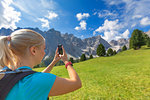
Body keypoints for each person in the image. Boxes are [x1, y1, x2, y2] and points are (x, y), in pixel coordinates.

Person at [0, 29, 82, 100]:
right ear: (34, 50)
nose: (44, 52)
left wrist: (53, 62)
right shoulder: (37, 81)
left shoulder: (5, 73)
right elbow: (76, 83)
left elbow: (31, 77)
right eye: (44, 48)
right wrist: (66, 62)